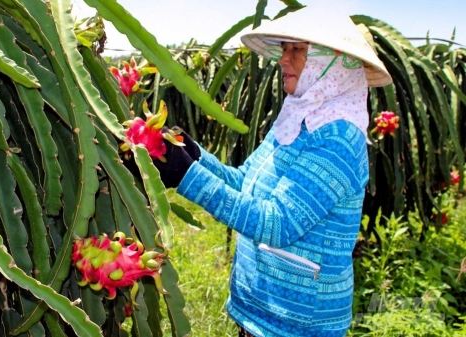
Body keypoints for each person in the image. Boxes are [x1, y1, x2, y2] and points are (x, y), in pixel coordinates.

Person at [144, 7, 392, 337]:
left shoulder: (338, 139)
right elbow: (247, 182)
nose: (282, 59)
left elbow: (277, 223)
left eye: (297, 50)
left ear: (331, 63)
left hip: (297, 325)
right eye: (284, 48)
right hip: (259, 311)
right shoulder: (296, 120)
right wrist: (193, 155)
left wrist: (186, 176)